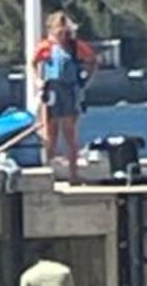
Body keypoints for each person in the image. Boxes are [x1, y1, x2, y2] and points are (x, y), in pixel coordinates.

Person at [33, 11, 99, 184]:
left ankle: (73, 174)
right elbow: (33, 62)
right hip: (52, 91)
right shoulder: (46, 46)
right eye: (59, 32)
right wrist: (38, 81)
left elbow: (93, 60)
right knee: (50, 134)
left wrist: (85, 80)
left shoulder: (76, 46)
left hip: (70, 91)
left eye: (65, 32)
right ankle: (48, 172)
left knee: (70, 133)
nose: (63, 35)